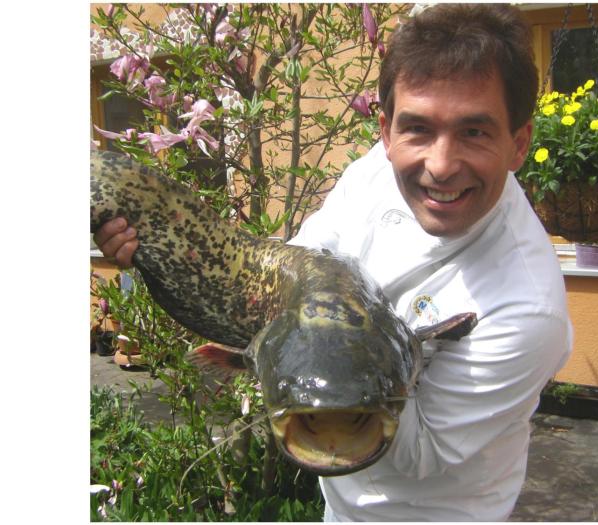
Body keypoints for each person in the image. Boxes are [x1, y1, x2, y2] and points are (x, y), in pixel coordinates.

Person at [94, 4, 572, 521]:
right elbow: (305, 261)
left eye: (474, 132)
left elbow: (424, 454)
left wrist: (358, 360)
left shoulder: (526, 309)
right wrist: (162, 253)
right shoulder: (374, 173)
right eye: (418, 129)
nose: (440, 165)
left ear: (518, 144)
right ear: (386, 132)